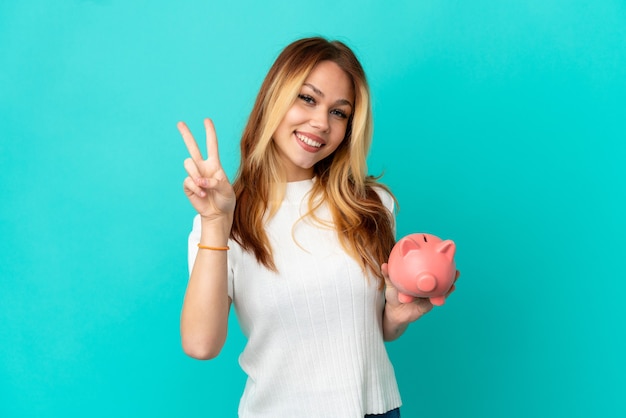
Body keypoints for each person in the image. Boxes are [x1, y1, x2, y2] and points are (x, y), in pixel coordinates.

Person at [178, 37, 457, 418]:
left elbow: (370, 331)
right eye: (307, 99)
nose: (321, 123)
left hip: (376, 410)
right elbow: (200, 344)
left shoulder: (371, 205)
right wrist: (215, 223)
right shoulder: (225, 218)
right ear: (274, 97)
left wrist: (395, 314)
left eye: (339, 113)